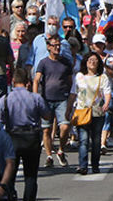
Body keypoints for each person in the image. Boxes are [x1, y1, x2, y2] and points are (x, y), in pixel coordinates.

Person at [0, 66, 50, 201]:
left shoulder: (5, 99)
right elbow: (47, 116)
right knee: (31, 175)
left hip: (12, 137)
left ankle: (11, 195)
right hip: (31, 137)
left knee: (10, 173)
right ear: (27, 82)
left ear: (13, 81)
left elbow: (0, 119)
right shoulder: (35, 98)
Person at [33, 33, 74, 168]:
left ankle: (61, 150)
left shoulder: (66, 63)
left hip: (62, 99)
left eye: (59, 45)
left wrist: (69, 95)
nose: (57, 48)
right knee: (46, 129)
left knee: (65, 126)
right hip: (46, 99)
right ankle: (49, 155)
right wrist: (35, 97)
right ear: (48, 47)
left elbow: (69, 80)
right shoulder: (43, 62)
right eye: (54, 46)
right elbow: (37, 79)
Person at [71, 52, 111, 175]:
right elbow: (73, 92)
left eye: (95, 60)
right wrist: (68, 109)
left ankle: (95, 165)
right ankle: (83, 165)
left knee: (96, 140)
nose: (92, 62)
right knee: (83, 140)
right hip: (82, 111)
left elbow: (107, 92)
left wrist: (106, 103)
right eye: (90, 60)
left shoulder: (102, 77)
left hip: (97, 112)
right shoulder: (79, 76)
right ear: (85, 62)